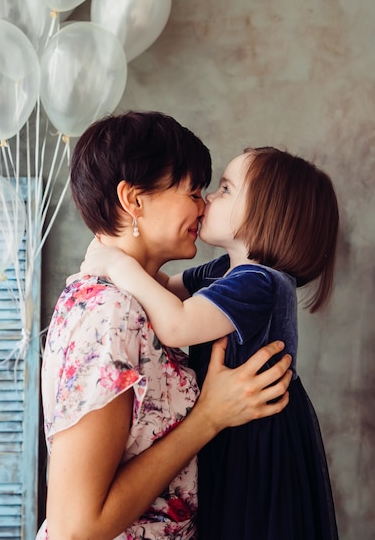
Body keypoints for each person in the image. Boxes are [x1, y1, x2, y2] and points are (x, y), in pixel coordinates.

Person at [36, 111, 294, 540]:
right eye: (192, 191)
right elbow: (75, 529)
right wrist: (207, 419)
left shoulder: (138, 299)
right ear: (134, 200)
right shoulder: (110, 314)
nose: (203, 204)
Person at [81, 145, 340, 539]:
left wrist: (118, 265)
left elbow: (176, 325)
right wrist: (115, 248)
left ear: (265, 213)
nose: (208, 199)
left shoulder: (262, 283)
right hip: (229, 422)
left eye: (225, 189)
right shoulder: (226, 269)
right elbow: (165, 288)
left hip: (254, 442)